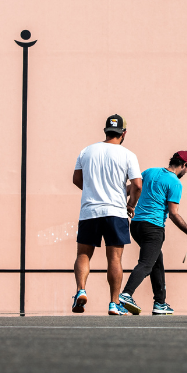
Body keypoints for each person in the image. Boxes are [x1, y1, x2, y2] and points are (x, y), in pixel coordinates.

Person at [72, 114, 142, 315]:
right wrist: (130, 204)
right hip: (115, 212)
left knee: (83, 254)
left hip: (89, 211)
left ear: (105, 131)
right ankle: (113, 303)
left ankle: (81, 291)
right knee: (114, 258)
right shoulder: (128, 154)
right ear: (124, 133)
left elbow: (77, 179)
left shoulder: (87, 151)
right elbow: (137, 185)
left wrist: (92, 191)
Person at [119, 151, 187, 316]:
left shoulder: (150, 172)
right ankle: (126, 294)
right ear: (184, 165)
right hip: (153, 228)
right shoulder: (175, 183)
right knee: (147, 263)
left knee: (157, 262)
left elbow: (131, 188)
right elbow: (174, 213)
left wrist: (117, 200)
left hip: (137, 225)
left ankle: (160, 303)